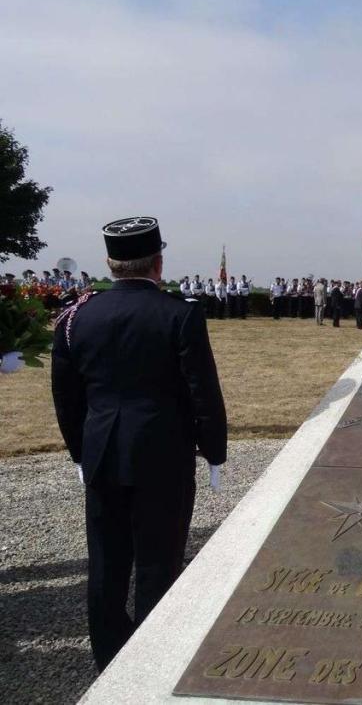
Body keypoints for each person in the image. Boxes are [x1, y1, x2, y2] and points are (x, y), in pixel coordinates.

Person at [51, 217, 226, 671]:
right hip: (161, 451)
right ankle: (151, 660)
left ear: (110, 264)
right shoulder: (179, 314)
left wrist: (78, 451)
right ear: (159, 263)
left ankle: (109, 657)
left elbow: (66, 397)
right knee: (158, 559)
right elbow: (201, 390)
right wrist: (214, 452)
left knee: (106, 559)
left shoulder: (76, 317)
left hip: (102, 451)